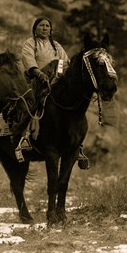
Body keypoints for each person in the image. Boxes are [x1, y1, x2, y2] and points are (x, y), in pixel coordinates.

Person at [20, 16, 90, 170]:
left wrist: (61, 76)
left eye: (47, 26)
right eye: (41, 25)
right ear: (35, 28)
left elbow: (65, 63)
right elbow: (28, 60)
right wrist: (39, 74)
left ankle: (77, 146)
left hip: (55, 82)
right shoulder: (30, 43)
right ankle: (24, 139)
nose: (44, 28)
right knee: (31, 103)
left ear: (50, 30)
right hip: (36, 81)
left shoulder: (56, 45)